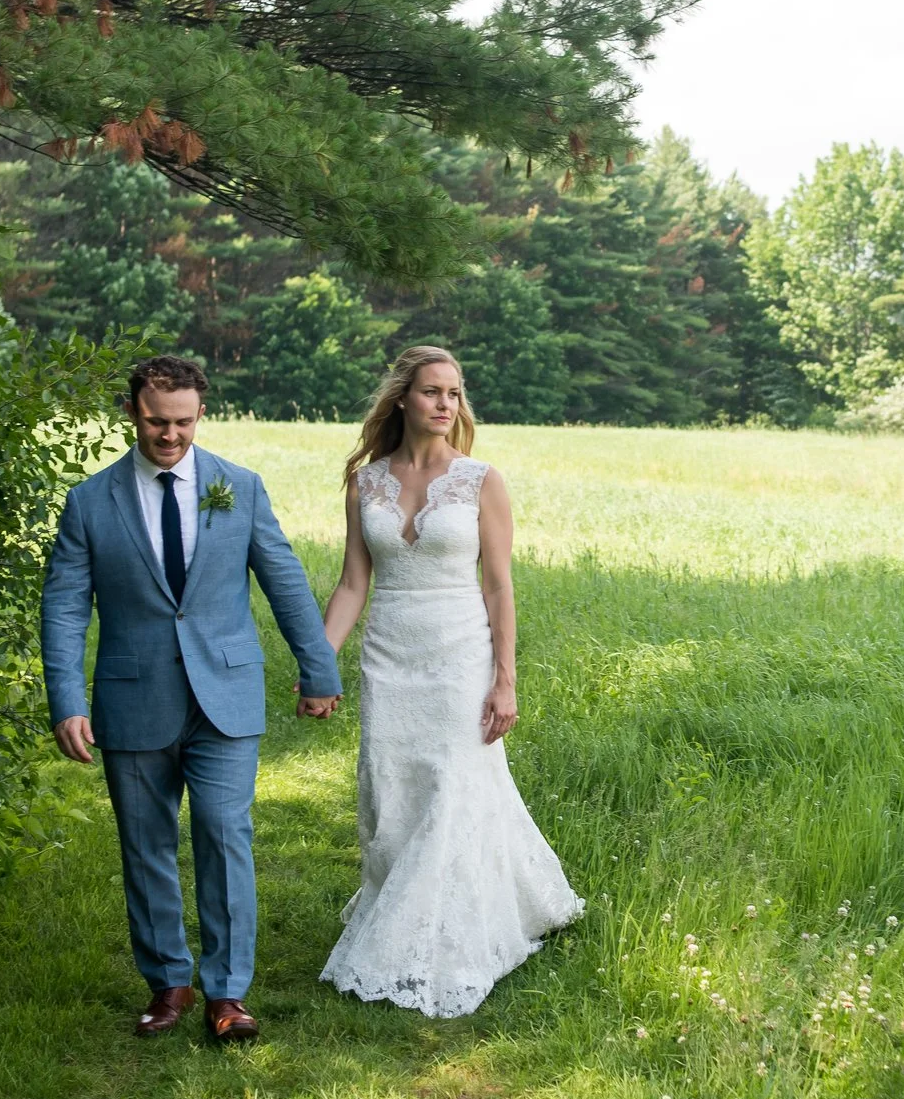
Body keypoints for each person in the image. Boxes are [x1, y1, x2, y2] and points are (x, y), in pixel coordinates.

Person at [40, 354, 342, 1042]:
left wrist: (318, 669)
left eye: (181, 421)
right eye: (155, 421)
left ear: (201, 414)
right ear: (132, 413)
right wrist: (66, 698)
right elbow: (62, 607)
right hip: (131, 696)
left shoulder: (240, 486)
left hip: (225, 695)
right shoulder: (90, 501)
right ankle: (168, 982)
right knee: (145, 844)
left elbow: (285, 581)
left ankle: (228, 991)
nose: (168, 434)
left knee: (222, 829)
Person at [316, 345, 583, 1017]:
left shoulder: (480, 480)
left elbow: (499, 585)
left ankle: (448, 936)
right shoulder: (366, 482)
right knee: (393, 785)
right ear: (402, 398)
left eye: (454, 393)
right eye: (433, 391)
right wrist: (321, 661)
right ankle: (399, 902)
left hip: (461, 655)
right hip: (388, 653)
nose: (445, 404)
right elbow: (353, 583)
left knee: (455, 785)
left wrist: (506, 679)